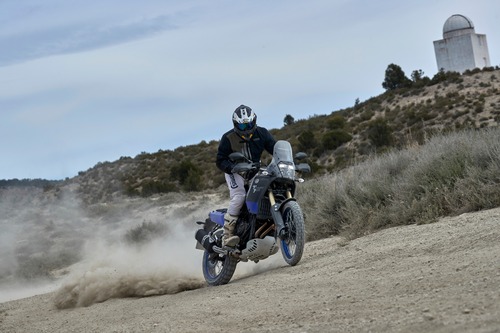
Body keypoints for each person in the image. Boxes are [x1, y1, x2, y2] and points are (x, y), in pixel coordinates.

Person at [216, 105, 276, 247]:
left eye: (249, 124)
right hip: (235, 172)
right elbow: (220, 160)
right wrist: (231, 167)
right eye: (242, 126)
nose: (246, 128)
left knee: (268, 191)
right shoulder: (228, 138)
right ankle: (227, 235)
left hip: (254, 170)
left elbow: (275, 148)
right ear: (236, 124)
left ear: (254, 121)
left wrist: (288, 161)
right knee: (239, 196)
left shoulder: (262, 133)